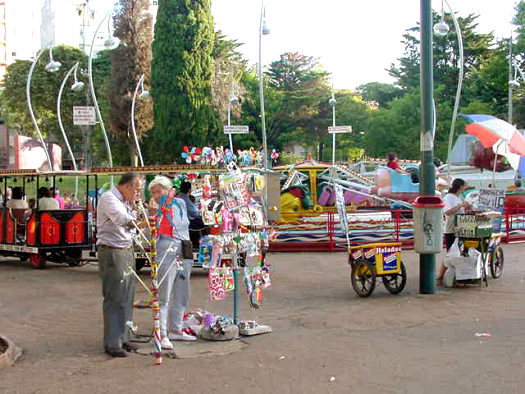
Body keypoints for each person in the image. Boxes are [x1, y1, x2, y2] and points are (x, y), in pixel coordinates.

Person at [96, 172, 142, 357]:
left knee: (127, 294)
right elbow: (122, 219)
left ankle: (124, 337)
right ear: (127, 186)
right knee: (115, 296)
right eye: (137, 190)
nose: (137, 194)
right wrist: (140, 220)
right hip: (112, 251)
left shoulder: (125, 201)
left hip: (126, 248)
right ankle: (112, 342)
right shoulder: (109, 198)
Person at [149, 175, 195, 350]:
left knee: (182, 290)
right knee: (164, 293)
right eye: (153, 192)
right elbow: (152, 229)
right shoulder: (157, 207)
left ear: (168, 190)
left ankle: (176, 328)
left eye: (158, 191)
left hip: (184, 247)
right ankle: (162, 333)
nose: (155, 195)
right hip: (166, 248)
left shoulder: (180, 203)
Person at [437, 178, 471, 284]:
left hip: (460, 228)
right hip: (450, 229)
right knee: (450, 253)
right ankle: (441, 276)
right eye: (464, 185)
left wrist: (467, 208)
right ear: (460, 186)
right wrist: (460, 206)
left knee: (456, 253)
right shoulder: (449, 197)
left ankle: (454, 276)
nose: (465, 187)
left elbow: (460, 211)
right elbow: (447, 212)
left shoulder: (459, 197)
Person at [179, 181, 206, 248]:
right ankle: (203, 243)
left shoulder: (179, 196)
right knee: (204, 223)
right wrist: (203, 212)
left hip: (182, 222)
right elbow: (194, 213)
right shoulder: (185, 199)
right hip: (187, 223)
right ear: (189, 190)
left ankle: (197, 243)